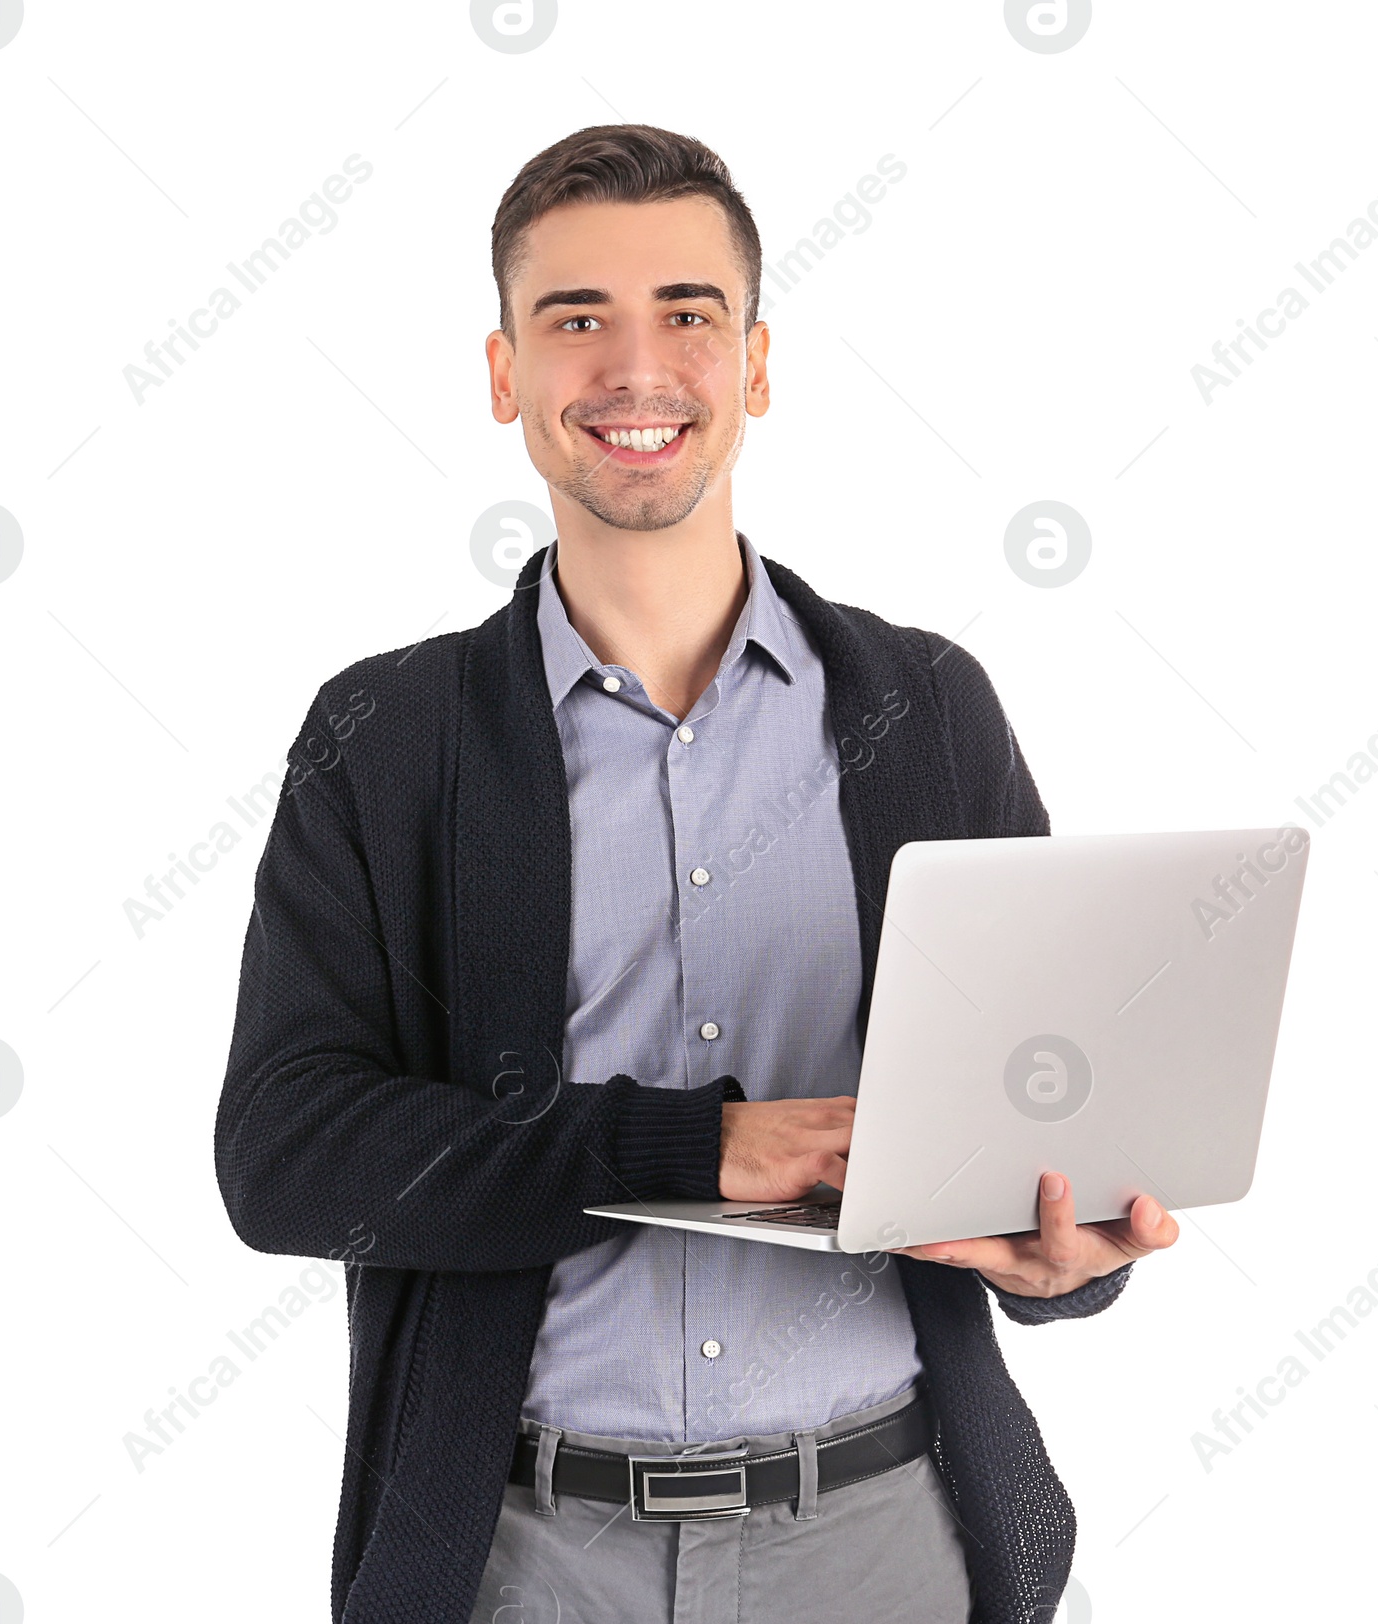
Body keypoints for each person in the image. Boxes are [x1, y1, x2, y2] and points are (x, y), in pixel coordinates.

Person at [215, 123, 1179, 1624]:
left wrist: (1071, 1257)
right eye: (576, 320)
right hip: (524, 1558)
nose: (636, 368)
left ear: (759, 364)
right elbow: (287, 1156)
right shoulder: (386, 738)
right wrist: (688, 1151)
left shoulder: (925, 709)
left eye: (689, 313)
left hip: (885, 1540)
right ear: (504, 376)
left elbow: (1037, 1099)